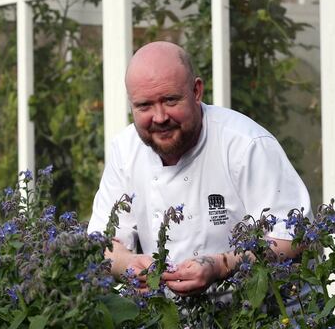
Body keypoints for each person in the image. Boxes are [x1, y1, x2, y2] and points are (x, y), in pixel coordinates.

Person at [87, 41, 311, 297]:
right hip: (172, 328)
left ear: (196, 91)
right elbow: (102, 244)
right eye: (144, 106)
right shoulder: (125, 150)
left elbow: (295, 237)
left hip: (259, 325)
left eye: (170, 100)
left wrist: (221, 265)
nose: (159, 117)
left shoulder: (245, 144)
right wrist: (128, 264)